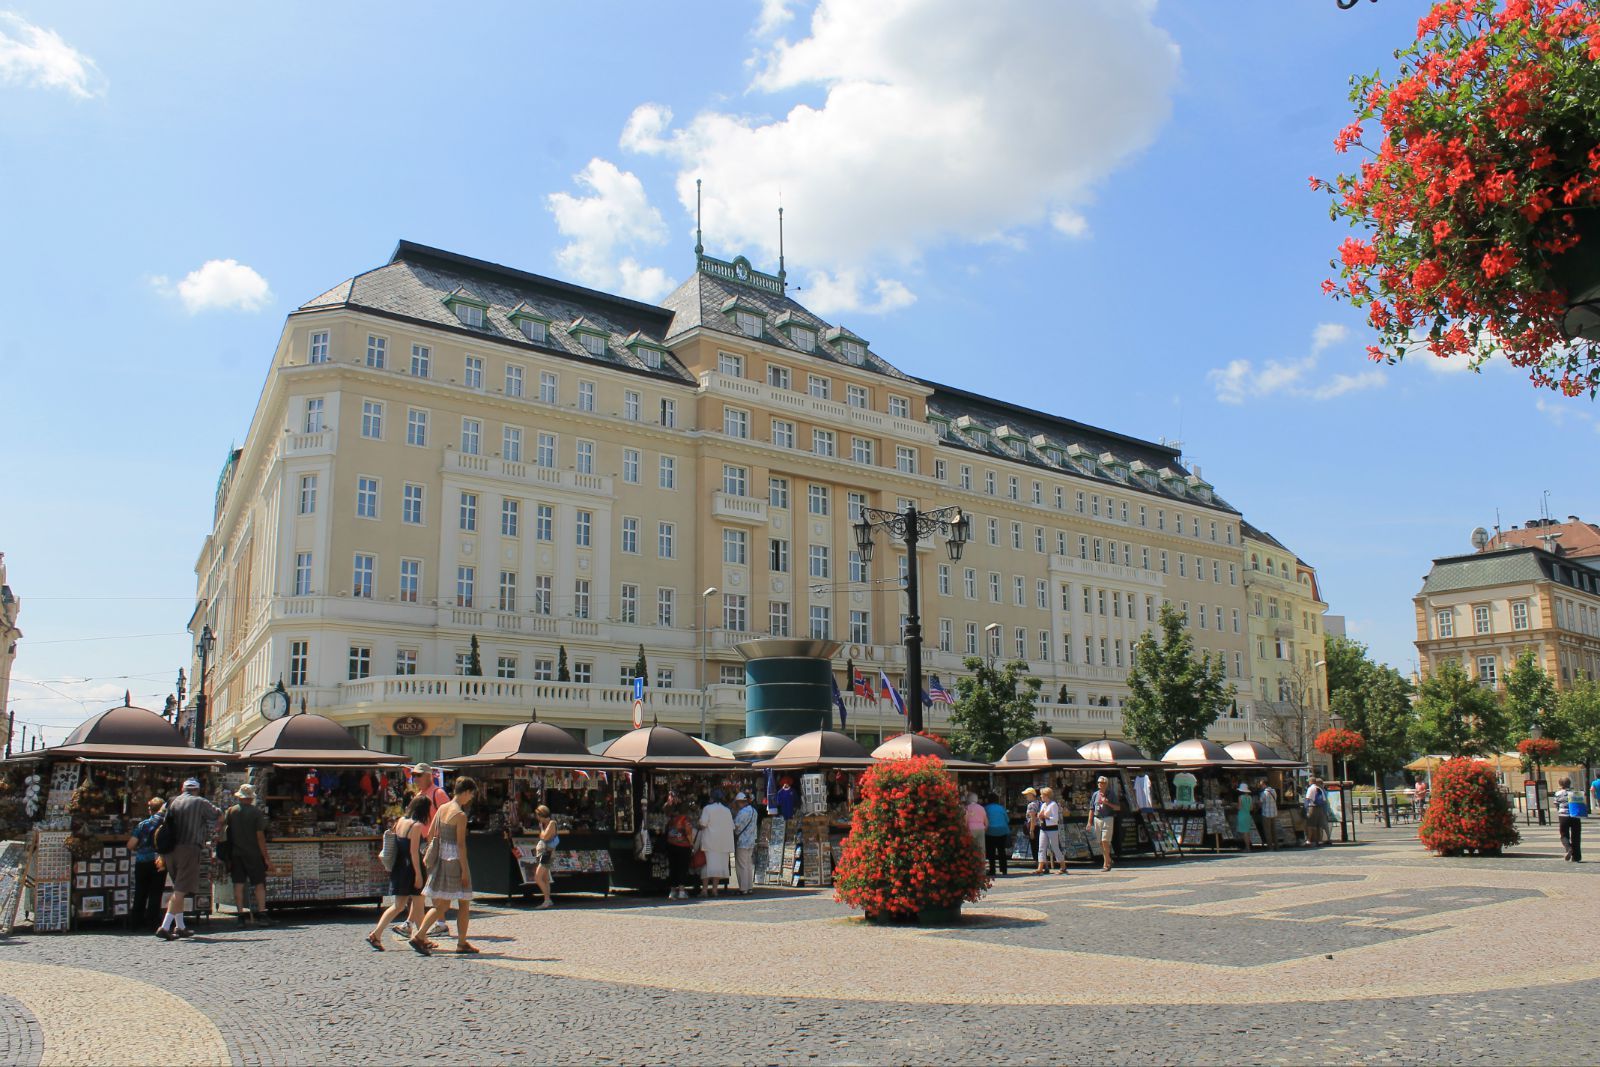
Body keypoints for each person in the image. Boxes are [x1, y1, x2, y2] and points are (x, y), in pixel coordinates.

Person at [412, 776, 478, 956]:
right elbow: (461, 845)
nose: (470, 798)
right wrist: (464, 870)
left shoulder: (442, 808)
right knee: (464, 902)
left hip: (442, 859)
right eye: (471, 794)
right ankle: (461, 942)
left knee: (442, 904)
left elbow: (431, 833)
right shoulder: (460, 815)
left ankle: (420, 935)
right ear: (465, 792)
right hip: (456, 861)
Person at [157, 778, 220, 941]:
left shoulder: (171, 801)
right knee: (180, 889)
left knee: (178, 886)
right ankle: (165, 926)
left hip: (169, 850)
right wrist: (217, 829)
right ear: (197, 790)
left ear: (182, 788)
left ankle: (180, 926)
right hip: (189, 848)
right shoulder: (200, 802)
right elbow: (218, 814)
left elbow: (159, 820)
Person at [394, 764, 451, 940]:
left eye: (419, 775)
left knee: (430, 885)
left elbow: (449, 816)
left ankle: (439, 923)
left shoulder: (438, 793)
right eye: (414, 775)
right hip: (421, 844)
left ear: (428, 776)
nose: (415, 779)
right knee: (421, 887)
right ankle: (410, 924)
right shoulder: (418, 795)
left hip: (434, 844)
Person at [367, 794, 429, 949]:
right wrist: (419, 875)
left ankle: (376, 934)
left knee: (398, 905)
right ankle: (421, 939)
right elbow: (414, 853)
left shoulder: (400, 821)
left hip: (399, 867)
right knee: (419, 905)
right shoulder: (416, 826)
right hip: (411, 869)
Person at [222, 783, 274, 925]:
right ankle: (262, 913)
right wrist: (266, 857)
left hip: (236, 853)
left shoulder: (231, 811)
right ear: (251, 798)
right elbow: (260, 836)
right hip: (254, 853)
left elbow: (223, 828)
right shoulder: (256, 813)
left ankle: (240, 915)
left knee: (238, 884)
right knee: (259, 883)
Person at [126, 797, 165, 930]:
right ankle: (153, 921)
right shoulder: (165, 824)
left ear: (150, 809)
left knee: (140, 892)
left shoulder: (142, 825)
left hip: (142, 861)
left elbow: (131, 845)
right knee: (155, 893)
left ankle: (136, 921)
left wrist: (140, 848)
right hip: (159, 861)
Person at [697, 788, 736, 898]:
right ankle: (715, 890)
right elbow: (732, 826)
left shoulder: (707, 809)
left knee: (707, 866)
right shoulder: (727, 810)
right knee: (719, 867)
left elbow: (703, 824)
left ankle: (704, 890)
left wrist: (698, 824)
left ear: (711, 798)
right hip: (723, 843)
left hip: (710, 842)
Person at [663, 801, 696, 899]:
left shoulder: (672, 819)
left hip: (671, 844)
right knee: (683, 868)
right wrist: (691, 843)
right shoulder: (685, 819)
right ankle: (681, 891)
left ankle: (672, 891)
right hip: (683, 845)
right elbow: (689, 833)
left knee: (673, 868)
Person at [1087, 776, 1120, 872]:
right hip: (1097, 819)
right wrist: (1089, 822)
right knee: (1100, 842)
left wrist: (1108, 803)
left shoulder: (1111, 794)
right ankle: (1108, 859)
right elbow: (1091, 809)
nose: (1099, 784)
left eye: (1101, 782)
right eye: (1098, 782)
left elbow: (1118, 808)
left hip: (1108, 818)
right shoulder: (1095, 794)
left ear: (1106, 784)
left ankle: (1106, 864)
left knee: (1105, 840)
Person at [532, 804, 559, 908]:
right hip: (544, 852)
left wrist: (541, 830)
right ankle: (547, 900)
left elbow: (545, 836)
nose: (537, 818)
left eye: (538, 816)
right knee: (545, 878)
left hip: (548, 854)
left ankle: (547, 899)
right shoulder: (544, 824)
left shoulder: (552, 823)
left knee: (538, 877)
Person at [732, 792, 759, 895]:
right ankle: (749, 887)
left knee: (741, 865)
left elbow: (735, 825)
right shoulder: (754, 811)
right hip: (751, 841)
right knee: (748, 865)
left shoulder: (742, 812)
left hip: (742, 842)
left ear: (739, 802)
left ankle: (743, 888)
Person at [1036, 787, 1065, 874]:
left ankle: (1063, 866)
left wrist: (1046, 817)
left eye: (1042, 795)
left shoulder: (1053, 805)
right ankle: (1040, 867)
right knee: (1041, 847)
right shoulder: (1043, 805)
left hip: (1052, 828)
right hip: (1043, 828)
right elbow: (1041, 815)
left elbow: (1055, 819)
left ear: (1046, 795)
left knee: (1055, 847)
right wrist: (1039, 816)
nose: (1041, 796)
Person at [1554, 776, 1584, 862]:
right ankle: (1576, 857)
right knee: (1576, 836)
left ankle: (1568, 847)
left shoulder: (1558, 793)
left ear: (1560, 784)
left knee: (1563, 834)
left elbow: (1556, 804)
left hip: (1563, 816)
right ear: (1569, 783)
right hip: (1575, 816)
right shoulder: (1576, 793)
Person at [983, 791, 1010, 877]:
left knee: (991, 852)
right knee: (1002, 851)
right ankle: (1004, 869)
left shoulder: (986, 808)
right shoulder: (1001, 808)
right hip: (1002, 830)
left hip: (990, 831)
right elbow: (1007, 820)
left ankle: (992, 870)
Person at [1020, 787, 1042, 872]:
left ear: (1031, 795)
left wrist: (1031, 830)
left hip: (1034, 826)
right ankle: (1042, 863)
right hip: (1040, 826)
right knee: (1039, 845)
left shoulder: (1031, 805)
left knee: (1034, 845)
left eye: (1027, 795)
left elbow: (1032, 818)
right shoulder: (1040, 803)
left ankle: (1038, 863)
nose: (1026, 797)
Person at [1304, 777, 1330, 846]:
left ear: (1311, 781)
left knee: (1310, 825)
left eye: (1309, 781)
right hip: (1320, 808)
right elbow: (1324, 800)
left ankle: (1309, 840)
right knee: (1318, 825)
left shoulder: (1311, 788)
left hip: (1312, 808)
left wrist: (1306, 808)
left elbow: (1307, 799)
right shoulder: (1320, 789)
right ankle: (1317, 841)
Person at [1258, 779, 1280, 850]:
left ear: (1264, 784)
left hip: (1266, 813)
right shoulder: (1273, 791)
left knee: (1268, 831)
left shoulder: (1263, 793)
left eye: (1261, 785)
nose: (1260, 786)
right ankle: (1276, 846)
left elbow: (1260, 803)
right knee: (1274, 830)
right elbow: (1275, 799)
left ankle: (1270, 847)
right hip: (1274, 813)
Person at [1234, 782, 1255, 851]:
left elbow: (1239, 807)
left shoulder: (1240, 797)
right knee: (1247, 832)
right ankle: (1248, 846)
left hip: (1242, 815)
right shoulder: (1250, 797)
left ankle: (1247, 848)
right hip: (1248, 815)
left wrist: (1236, 806)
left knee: (1244, 832)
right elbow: (1251, 808)